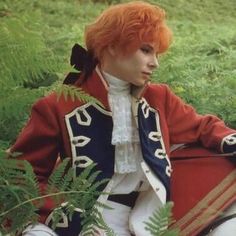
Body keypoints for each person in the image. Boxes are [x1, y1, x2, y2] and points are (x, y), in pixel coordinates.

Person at [9, 1, 236, 236]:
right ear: (113, 46)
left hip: (147, 215)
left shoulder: (160, 98)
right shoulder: (57, 106)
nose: (154, 63)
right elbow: (21, 177)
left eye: (156, 54)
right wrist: (63, 215)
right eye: (146, 50)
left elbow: (203, 128)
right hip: (81, 219)